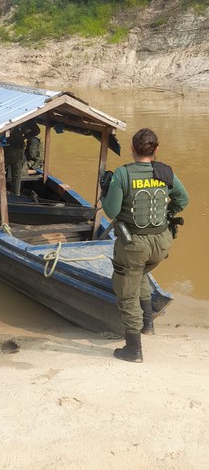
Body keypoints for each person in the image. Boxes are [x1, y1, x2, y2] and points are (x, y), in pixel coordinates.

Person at [101, 128, 189, 363]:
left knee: (126, 292)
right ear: (156, 149)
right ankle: (148, 324)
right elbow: (184, 199)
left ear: (132, 148)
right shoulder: (165, 171)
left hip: (134, 244)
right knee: (140, 273)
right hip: (161, 243)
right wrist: (166, 213)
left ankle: (133, 349)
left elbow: (111, 211)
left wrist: (104, 191)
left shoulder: (122, 175)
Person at [0, 126, 25, 196]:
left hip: (8, 148)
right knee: (16, 174)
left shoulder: (8, 120)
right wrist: (24, 137)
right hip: (19, 149)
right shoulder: (25, 119)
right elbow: (36, 131)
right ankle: (16, 194)